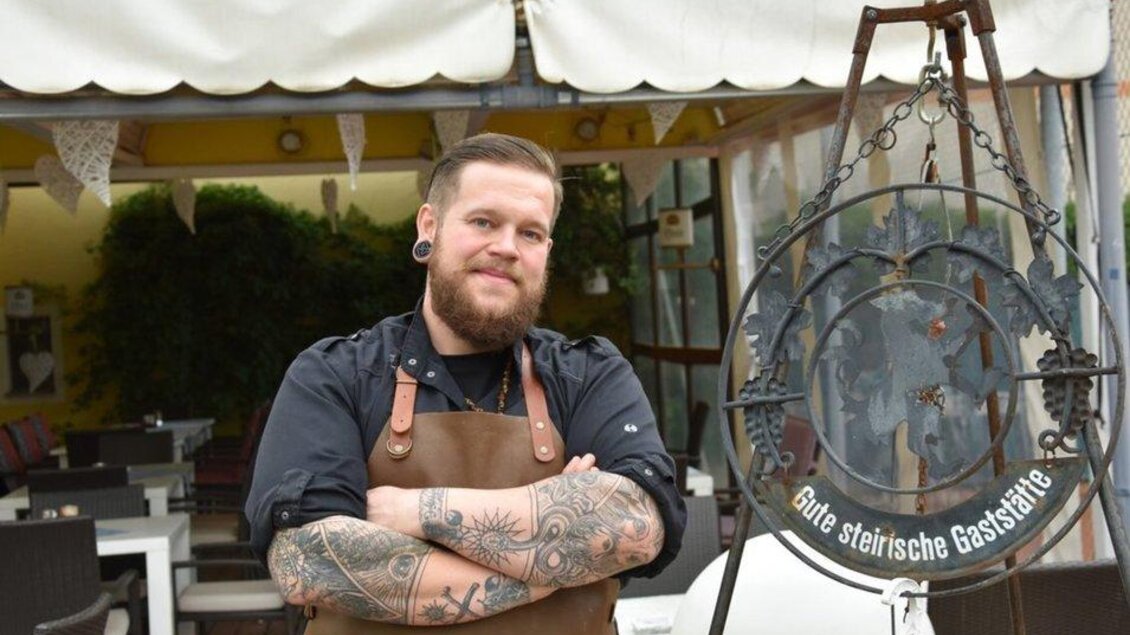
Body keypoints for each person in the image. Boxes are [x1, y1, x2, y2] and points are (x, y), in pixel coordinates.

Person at [245, 133, 686, 634]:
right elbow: (309, 562)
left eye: (530, 233)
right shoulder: (336, 375)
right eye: (483, 222)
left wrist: (415, 511)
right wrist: (553, 565)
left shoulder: (588, 374)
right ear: (429, 226)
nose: (506, 248)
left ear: (546, 251)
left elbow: (637, 524)